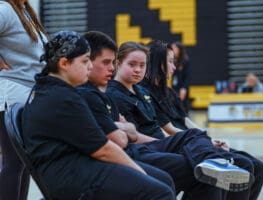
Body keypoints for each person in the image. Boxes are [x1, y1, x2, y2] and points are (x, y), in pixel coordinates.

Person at [77, 31, 253, 200]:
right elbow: (127, 137)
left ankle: (214, 161)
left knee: (209, 150)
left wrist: (204, 141)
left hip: (155, 144)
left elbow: (162, 125)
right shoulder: (108, 93)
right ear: (119, 64)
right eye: (131, 65)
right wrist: (131, 131)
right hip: (145, 148)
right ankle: (213, 161)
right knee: (200, 168)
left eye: (142, 65)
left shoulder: (142, 91)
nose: (138, 70)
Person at [21, 31, 176, 200]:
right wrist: (141, 173)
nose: (89, 66)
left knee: (163, 180)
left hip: (71, 170)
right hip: (73, 179)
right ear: (64, 63)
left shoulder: (48, 90)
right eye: (85, 61)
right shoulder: (65, 98)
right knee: (160, 191)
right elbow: (104, 150)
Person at [140, 40, 263, 200]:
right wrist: (202, 140)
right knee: (242, 166)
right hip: (185, 144)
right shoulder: (145, 92)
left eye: (175, 62)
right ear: (158, 63)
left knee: (259, 167)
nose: (174, 67)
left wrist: (208, 138)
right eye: (171, 62)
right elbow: (169, 129)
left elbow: (186, 121)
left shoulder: (169, 92)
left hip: (195, 141)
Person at [0, 1, 48, 199]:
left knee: (25, 164)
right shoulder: (5, 9)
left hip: (29, 97)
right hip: (11, 96)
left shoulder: (25, 11)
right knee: (14, 162)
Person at [171, 41, 191, 113]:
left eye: (174, 48)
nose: (172, 50)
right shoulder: (173, 60)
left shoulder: (185, 60)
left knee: (183, 104)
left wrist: (184, 88)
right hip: (174, 86)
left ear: (179, 49)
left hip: (182, 87)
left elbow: (187, 76)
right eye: (172, 48)